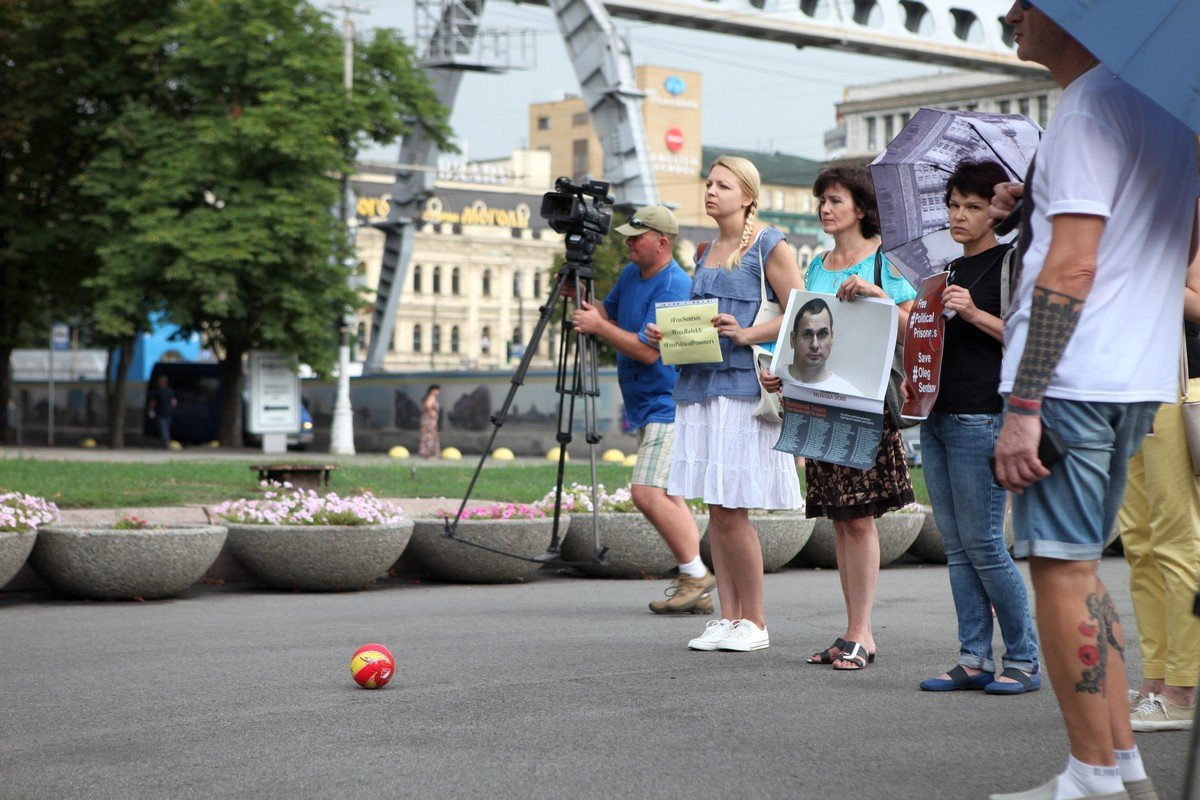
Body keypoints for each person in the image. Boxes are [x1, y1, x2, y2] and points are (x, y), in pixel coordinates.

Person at [988, 3, 1199, 799]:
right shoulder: (1166, 112)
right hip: (1136, 375)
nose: (1008, 14)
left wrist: (1025, 404)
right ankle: (1120, 768)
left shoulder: (1084, 109)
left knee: (1062, 572)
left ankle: (1091, 777)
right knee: (1084, 571)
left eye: (1025, 3)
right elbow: (1168, 246)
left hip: (1073, 380)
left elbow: (1072, 268)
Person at [645, 155, 804, 652]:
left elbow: (803, 308)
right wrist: (665, 334)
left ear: (747, 196)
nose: (710, 191)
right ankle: (729, 618)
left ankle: (754, 621)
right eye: (709, 184)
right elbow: (700, 322)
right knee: (717, 507)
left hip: (741, 388)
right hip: (698, 385)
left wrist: (747, 333)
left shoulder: (769, 242)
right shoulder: (705, 248)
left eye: (722, 185)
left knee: (733, 510)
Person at [768, 165, 917, 672]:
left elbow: (915, 329)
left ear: (860, 207)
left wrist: (877, 297)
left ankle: (862, 633)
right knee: (841, 520)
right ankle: (852, 629)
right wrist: (780, 373)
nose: (825, 209)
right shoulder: (817, 265)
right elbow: (801, 333)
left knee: (859, 521)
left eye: (834, 200)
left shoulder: (887, 262)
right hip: (821, 407)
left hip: (867, 408)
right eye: (821, 202)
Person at [914, 160, 1038, 695]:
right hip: (938, 415)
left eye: (973, 206)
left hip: (984, 415)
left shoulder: (1014, 262)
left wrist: (973, 315)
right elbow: (932, 342)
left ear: (997, 211)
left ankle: (1025, 659)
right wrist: (915, 376)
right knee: (958, 546)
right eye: (954, 205)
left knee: (986, 544)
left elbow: (1030, 338)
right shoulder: (945, 274)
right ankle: (972, 657)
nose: (960, 216)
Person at [570, 204, 714, 615]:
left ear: (663, 242)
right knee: (669, 493)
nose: (629, 242)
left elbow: (649, 353)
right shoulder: (634, 273)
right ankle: (696, 582)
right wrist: (587, 302)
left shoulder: (674, 286)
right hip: (647, 404)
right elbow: (608, 313)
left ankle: (696, 575)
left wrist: (598, 327)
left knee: (646, 491)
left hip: (670, 404)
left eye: (637, 236)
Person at [1119, 209, 1200, 733]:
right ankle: (1154, 679)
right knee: (1139, 542)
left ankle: (1182, 688)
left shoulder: (1188, 217)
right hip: (1129, 387)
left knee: (1176, 540)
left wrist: (1152, 271)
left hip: (1177, 388)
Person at [787, 298, 858, 395]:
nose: (815, 345)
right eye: (807, 334)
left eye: (822, 334)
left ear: (832, 337)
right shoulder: (772, 379)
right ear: (793, 339)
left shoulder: (850, 394)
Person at [147, 375, 177, 449]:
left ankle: (165, 445)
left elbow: (152, 403)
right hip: (168, 413)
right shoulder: (170, 391)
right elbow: (174, 402)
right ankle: (166, 444)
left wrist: (151, 410)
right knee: (167, 429)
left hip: (160, 413)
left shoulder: (157, 391)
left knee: (164, 430)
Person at [418, 385, 441, 459]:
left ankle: (429, 453)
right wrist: (431, 412)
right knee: (429, 436)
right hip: (429, 421)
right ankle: (429, 453)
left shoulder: (431, 397)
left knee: (431, 436)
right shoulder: (431, 397)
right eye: (437, 390)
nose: (438, 392)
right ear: (432, 390)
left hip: (431, 421)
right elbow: (427, 405)